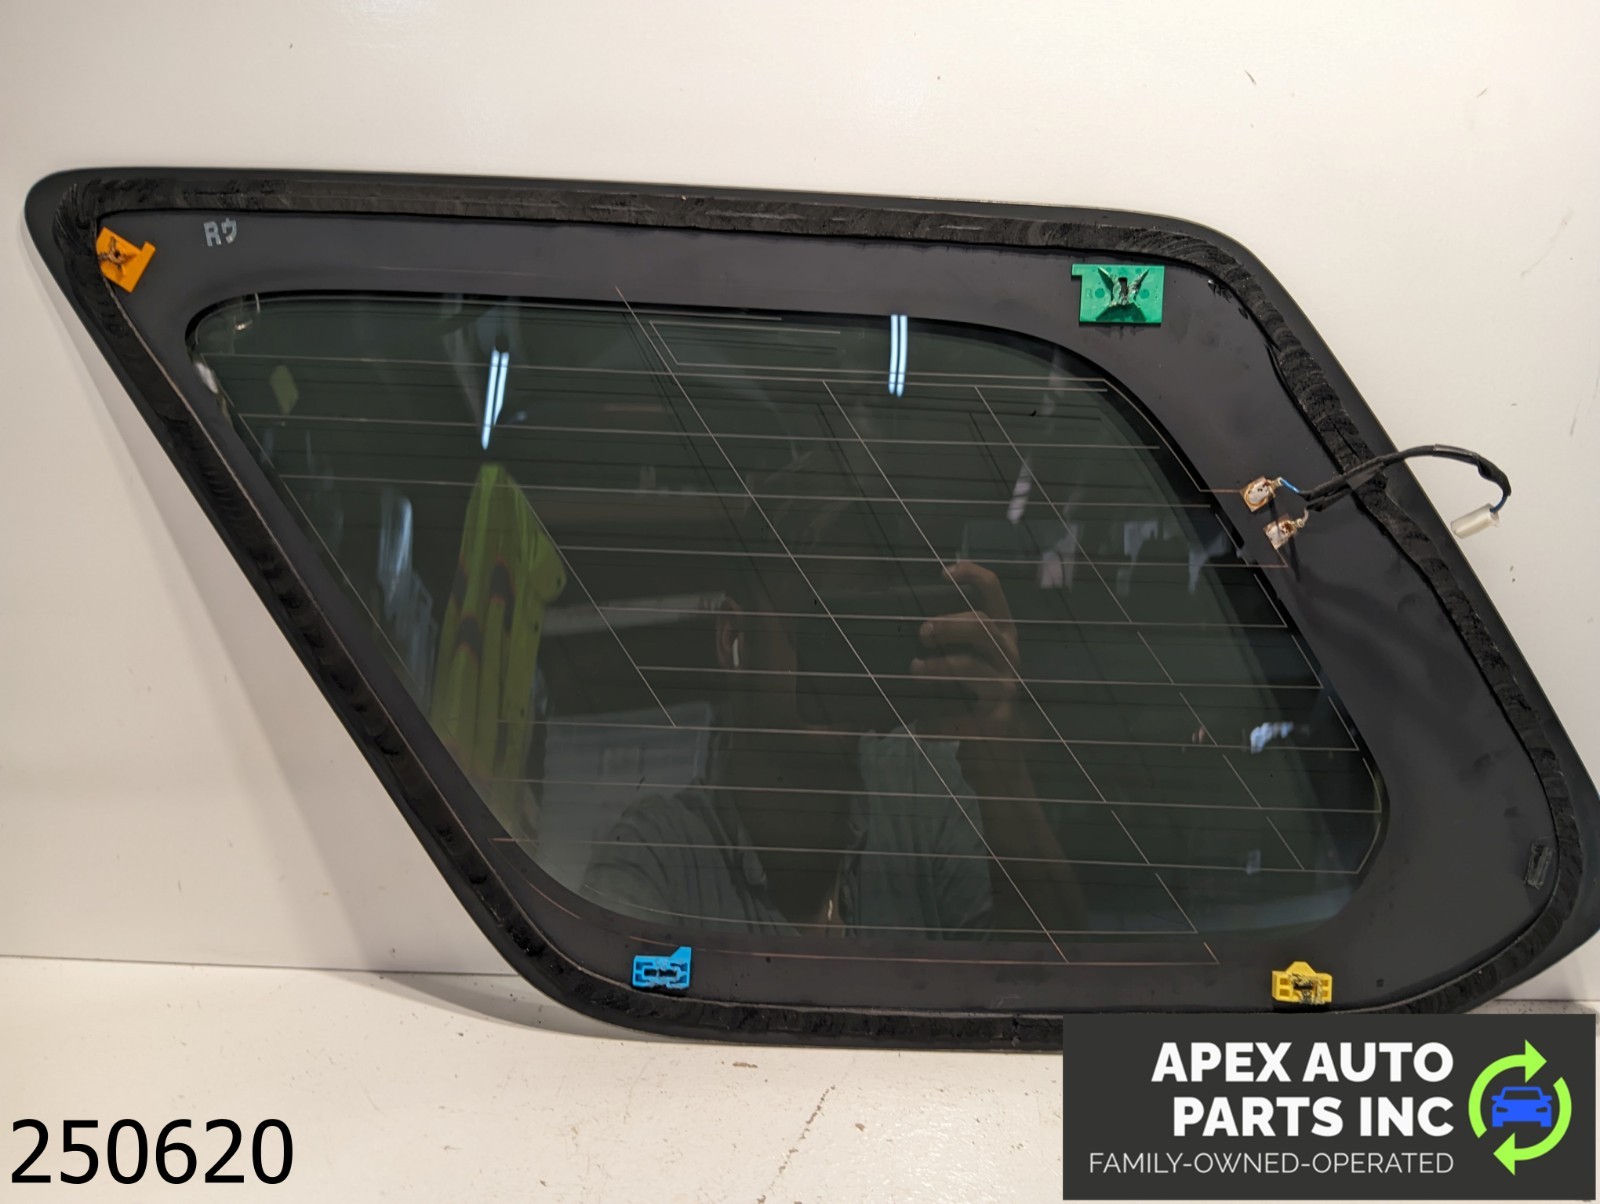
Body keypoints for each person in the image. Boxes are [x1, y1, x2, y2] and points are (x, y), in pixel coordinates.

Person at [580, 457, 1084, 942]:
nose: (839, 654)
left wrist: (1001, 769)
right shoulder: (660, 855)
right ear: (734, 638)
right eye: (817, 619)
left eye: (857, 622)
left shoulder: (921, 794)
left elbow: (1052, 972)